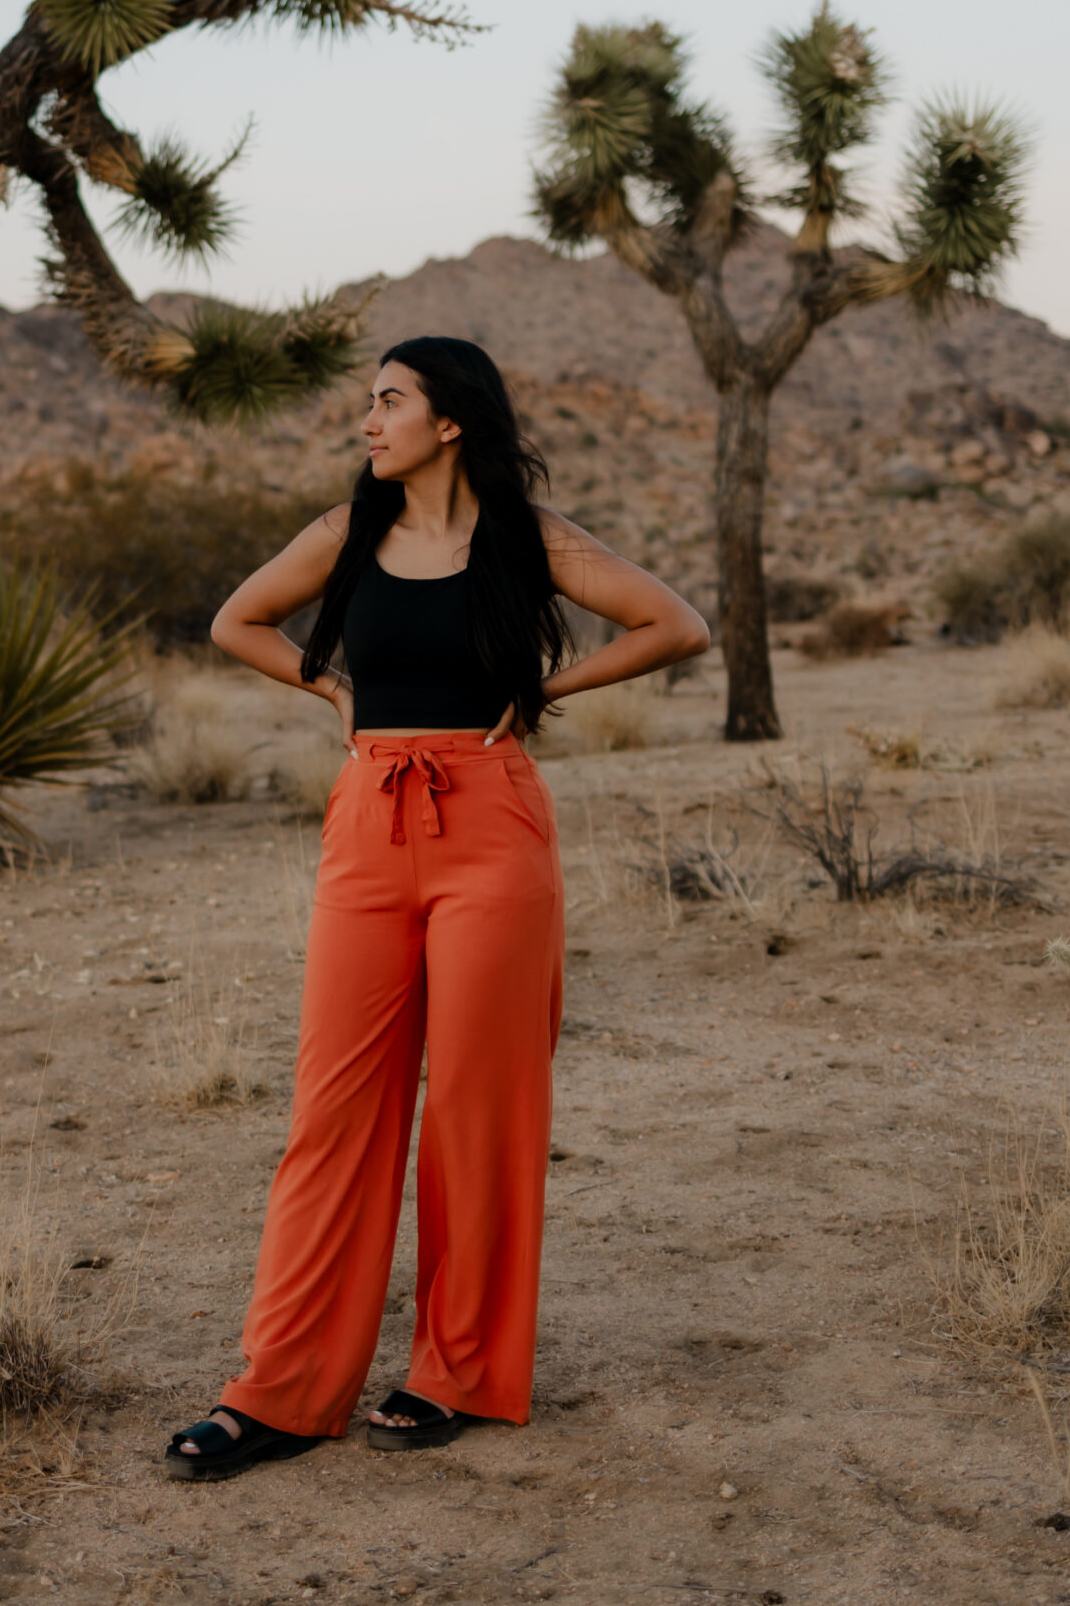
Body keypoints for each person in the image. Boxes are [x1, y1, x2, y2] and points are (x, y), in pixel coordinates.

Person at [164, 335, 709, 1481]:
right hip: (369, 821)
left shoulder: (527, 539)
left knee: (476, 1109)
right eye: (368, 404)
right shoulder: (343, 532)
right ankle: (281, 1389)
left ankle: (453, 1370)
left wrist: (543, 691)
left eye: (389, 401)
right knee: (333, 1111)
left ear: (449, 420)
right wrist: (334, 687)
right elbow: (236, 621)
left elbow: (674, 622)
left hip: (491, 825)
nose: (368, 422)